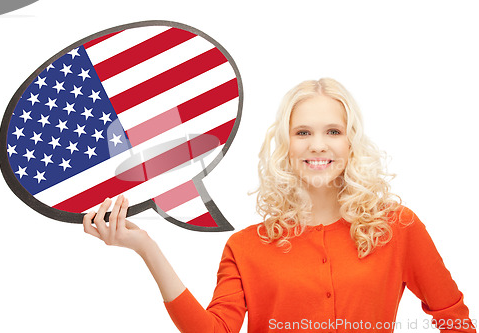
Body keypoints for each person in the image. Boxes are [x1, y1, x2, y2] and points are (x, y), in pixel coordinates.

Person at [83, 78, 476, 332]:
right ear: (286, 147)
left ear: (351, 143)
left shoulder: (395, 227)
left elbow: (454, 319)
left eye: (333, 131)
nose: (318, 145)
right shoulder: (247, 247)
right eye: (303, 132)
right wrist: (146, 248)